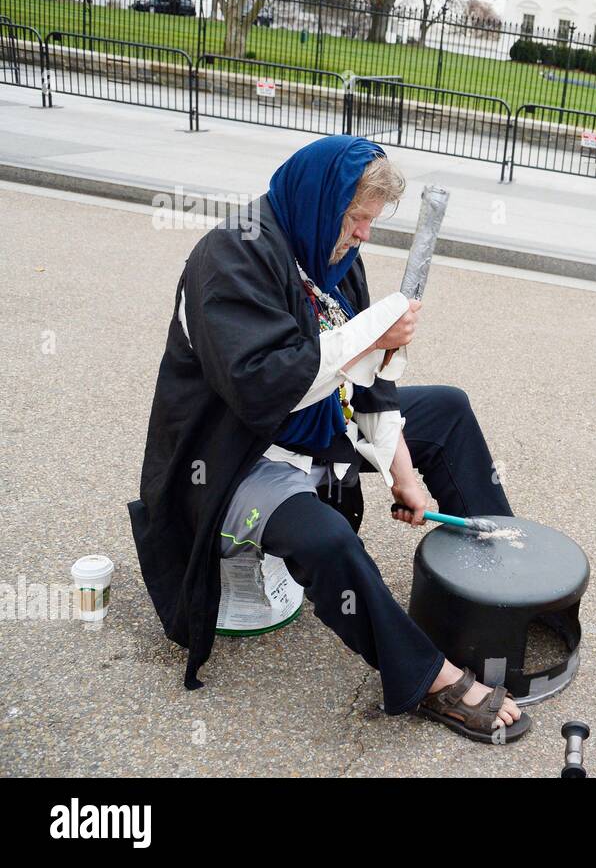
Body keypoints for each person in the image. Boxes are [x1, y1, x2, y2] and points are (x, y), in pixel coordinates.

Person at [128, 135, 530, 743]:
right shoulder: (230, 254)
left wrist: (405, 475)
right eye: (358, 217)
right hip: (232, 455)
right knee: (327, 538)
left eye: (371, 220)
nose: (365, 234)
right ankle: (427, 679)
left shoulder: (334, 254)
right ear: (321, 200)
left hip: (312, 425)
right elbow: (262, 386)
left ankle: (502, 585)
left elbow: (371, 386)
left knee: (446, 410)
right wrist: (371, 335)